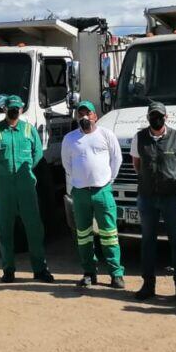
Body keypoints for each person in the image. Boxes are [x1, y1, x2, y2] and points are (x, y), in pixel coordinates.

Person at [0, 95, 54, 284]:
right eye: (10, 108)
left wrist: (25, 171)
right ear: (5, 109)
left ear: (21, 110)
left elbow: (37, 154)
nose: (14, 111)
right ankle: (8, 270)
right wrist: (0, 174)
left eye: (17, 108)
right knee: (4, 230)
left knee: (34, 228)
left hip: (26, 186)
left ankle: (40, 269)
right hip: (4, 188)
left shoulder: (29, 130)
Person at [132, 102, 176, 304]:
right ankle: (148, 285)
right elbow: (137, 163)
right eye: (152, 116)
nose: (155, 119)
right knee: (148, 241)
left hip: (171, 198)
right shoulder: (139, 138)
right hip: (147, 197)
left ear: (166, 117)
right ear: (148, 118)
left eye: (159, 115)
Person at [61, 100, 124, 289]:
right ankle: (89, 272)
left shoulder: (107, 135)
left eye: (88, 113)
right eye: (80, 114)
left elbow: (116, 159)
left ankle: (116, 274)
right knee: (84, 235)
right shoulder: (70, 139)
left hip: (102, 191)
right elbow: (67, 164)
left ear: (95, 116)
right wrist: (81, 180)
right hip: (80, 193)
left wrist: (107, 181)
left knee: (109, 234)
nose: (84, 117)